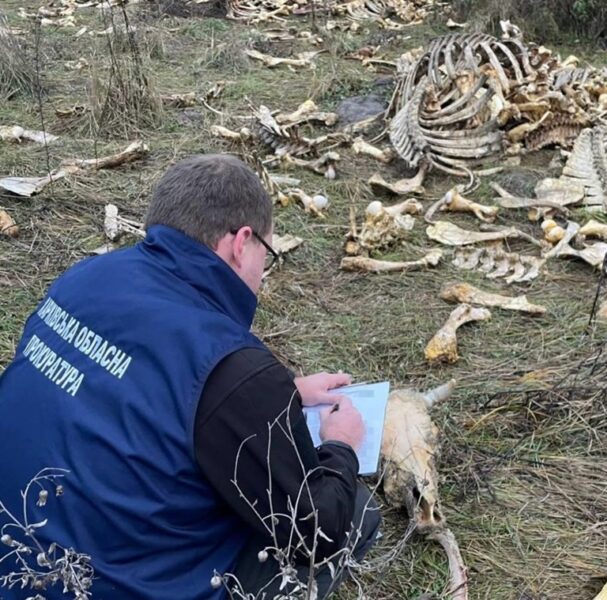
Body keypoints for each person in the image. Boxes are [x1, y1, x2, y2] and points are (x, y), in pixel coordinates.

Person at [0, 154, 381, 599]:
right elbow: (315, 532)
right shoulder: (233, 367)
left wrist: (284, 396)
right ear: (241, 242)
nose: (262, 271)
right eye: (267, 253)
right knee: (354, 510)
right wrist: (339, 446)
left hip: (17, 559)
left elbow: (130, 384)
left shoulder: (86, 277)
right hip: (112, 587)